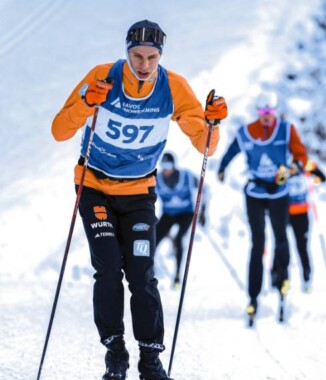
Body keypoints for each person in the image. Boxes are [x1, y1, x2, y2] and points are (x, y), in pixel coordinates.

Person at [51, 20, 226, 380]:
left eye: (151, 56)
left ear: (160, 56)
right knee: (109, 270)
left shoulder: (173, 87)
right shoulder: (103, 77)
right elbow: (59, 130)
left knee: (142, 275)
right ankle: (115, 353)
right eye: (137, 55)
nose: (143, 64)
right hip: (94, 186)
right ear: (126, 52)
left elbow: (205, 145)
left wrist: (213, 123)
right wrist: (87, 102)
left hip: (138, 193)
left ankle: (150, 360)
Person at [217, 91, 308, 320]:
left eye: (269, 112)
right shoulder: (247, 132)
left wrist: (292, 168)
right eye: (262, 112)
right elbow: (231, 151)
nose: (266, 116)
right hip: (255, 192)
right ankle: (253, 295)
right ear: (257, 113)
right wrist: (222, 167)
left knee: (281, 238)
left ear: (274, 111)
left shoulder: (287, 130)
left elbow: (301, 156)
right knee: (257, 243)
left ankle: (282, 282)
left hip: (279, 191)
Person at [154, 152, 206, 289]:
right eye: (163, 165)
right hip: (169, 214)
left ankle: (177, 275)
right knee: (153, 238)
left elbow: (204, 188)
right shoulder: (157, 179)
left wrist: (203, 211)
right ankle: (147, 271)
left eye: (168, 165)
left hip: (186, 213)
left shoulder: (186, 176)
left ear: (174, 165)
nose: (166, 169)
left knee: (179, 239)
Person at [286, 160, 326, 293]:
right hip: (285, 214)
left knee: (302, 247)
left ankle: (307, 279)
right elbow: (276, 181)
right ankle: (281, 280)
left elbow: (322, 177)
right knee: (282, 246)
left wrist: (313, 181)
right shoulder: (282, 162)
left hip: (302, 214)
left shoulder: (305, 164)